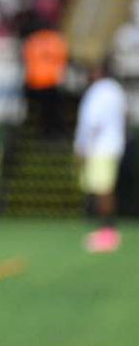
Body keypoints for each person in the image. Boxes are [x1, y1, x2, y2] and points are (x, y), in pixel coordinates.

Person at [74, 59, 127, 253]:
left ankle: (108, 232)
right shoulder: (116, 90)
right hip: (112, 146)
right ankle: (106, 230)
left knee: (103, 189)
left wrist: (82, 147)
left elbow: (91, 123)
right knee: (103, 188)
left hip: (99, 148)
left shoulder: (99, 91)